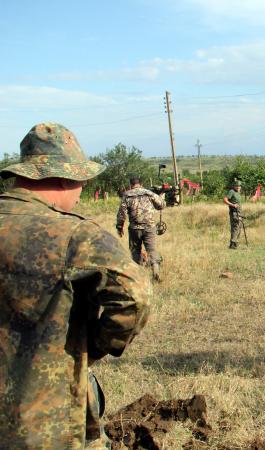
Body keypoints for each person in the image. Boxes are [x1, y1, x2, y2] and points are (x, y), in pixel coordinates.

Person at [0, 123, 151, 449]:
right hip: (46, 425)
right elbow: (135, 295)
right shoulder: (75, 236)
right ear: (67, 178)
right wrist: (97, 345)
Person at [116, 177, 166, 281]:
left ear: (130, 184)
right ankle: (156, 271)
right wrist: (162, 196)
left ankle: (138, 277)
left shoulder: (127, 195)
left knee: (135, 252)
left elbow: (121, 214)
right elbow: (161, 205)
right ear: (141, 184)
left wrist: (119, 227)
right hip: (149, 227)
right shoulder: (148, 193)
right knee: (151, 250)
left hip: (134, 228)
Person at [223, 180, 242, 249]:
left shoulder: (238, 192)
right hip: (234, 212)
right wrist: (232, 205)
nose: (238, 187)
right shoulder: (231, 191)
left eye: (239, 186)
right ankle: (233, 244)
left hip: (239, 212)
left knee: (239, 227)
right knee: (235, 227)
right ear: (234, 186)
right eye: (237, 186)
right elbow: (225, 200)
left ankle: (235, 243)